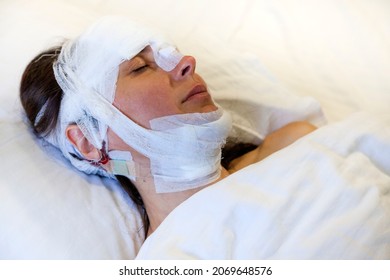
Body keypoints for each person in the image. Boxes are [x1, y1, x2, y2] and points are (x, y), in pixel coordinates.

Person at [19, 16, 316, 238]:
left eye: (168, 55)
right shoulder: (170, 261)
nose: (186, 62)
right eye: (140, 67)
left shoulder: (294, 148)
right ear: (88, 141)